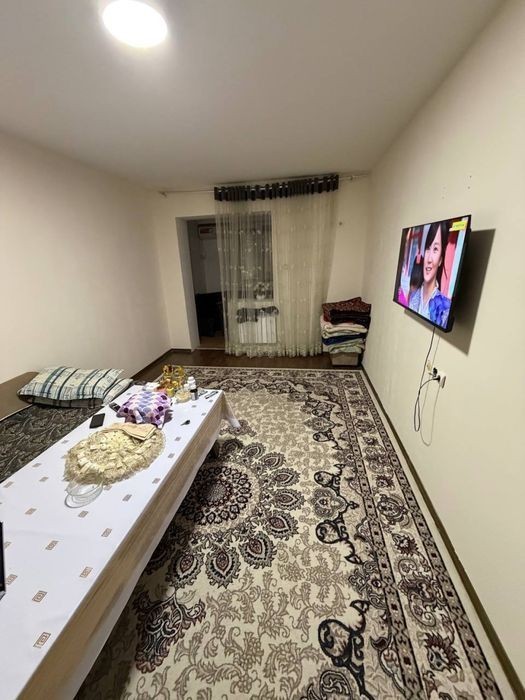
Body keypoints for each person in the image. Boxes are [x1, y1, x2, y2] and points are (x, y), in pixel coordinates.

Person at [409, 221, 451, 327]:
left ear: (440, 260)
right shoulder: (413, 296)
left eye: (435, 249)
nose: (429, 259)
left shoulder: (445, 308)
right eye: (428, 248)